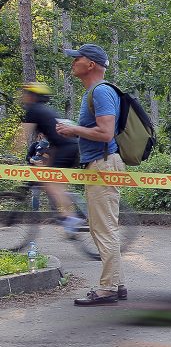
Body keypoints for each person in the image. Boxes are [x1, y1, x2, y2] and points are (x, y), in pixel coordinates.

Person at [55, 44, 127, 306]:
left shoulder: (101, 92)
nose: (74, 62)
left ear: (91, 65)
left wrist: (73, 131)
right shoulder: (96, 92)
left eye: (78, 58)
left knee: (103, 228)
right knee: (104, 227)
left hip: (103, 165)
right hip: (100, 164)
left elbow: (106, 134)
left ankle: (107, 289)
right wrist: (76, 128)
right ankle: (116, 284)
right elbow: (99, 130)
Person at [19, 82, 83, 231]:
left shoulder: (33, 110)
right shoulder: (46, 110)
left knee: (50, 181)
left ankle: (71, 218)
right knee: (53, 181)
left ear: (32, 96)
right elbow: (55, 140)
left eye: (25, 94)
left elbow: (22, 137)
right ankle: (70, 210)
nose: (23, 97)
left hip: (65, 147)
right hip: (68, 146)